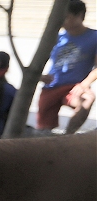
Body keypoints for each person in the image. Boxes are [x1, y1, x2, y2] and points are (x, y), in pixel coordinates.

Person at [37, 0, 97, 134]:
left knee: (86, 99)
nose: (63, 21)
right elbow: (39, 63)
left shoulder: (94, 37)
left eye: (67, 17)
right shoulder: (56, 37)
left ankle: (68, 136)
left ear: (79, 16)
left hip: (73, 86)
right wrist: (40, 76)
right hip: (51, 86)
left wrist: (84, 84)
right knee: (43, 132)